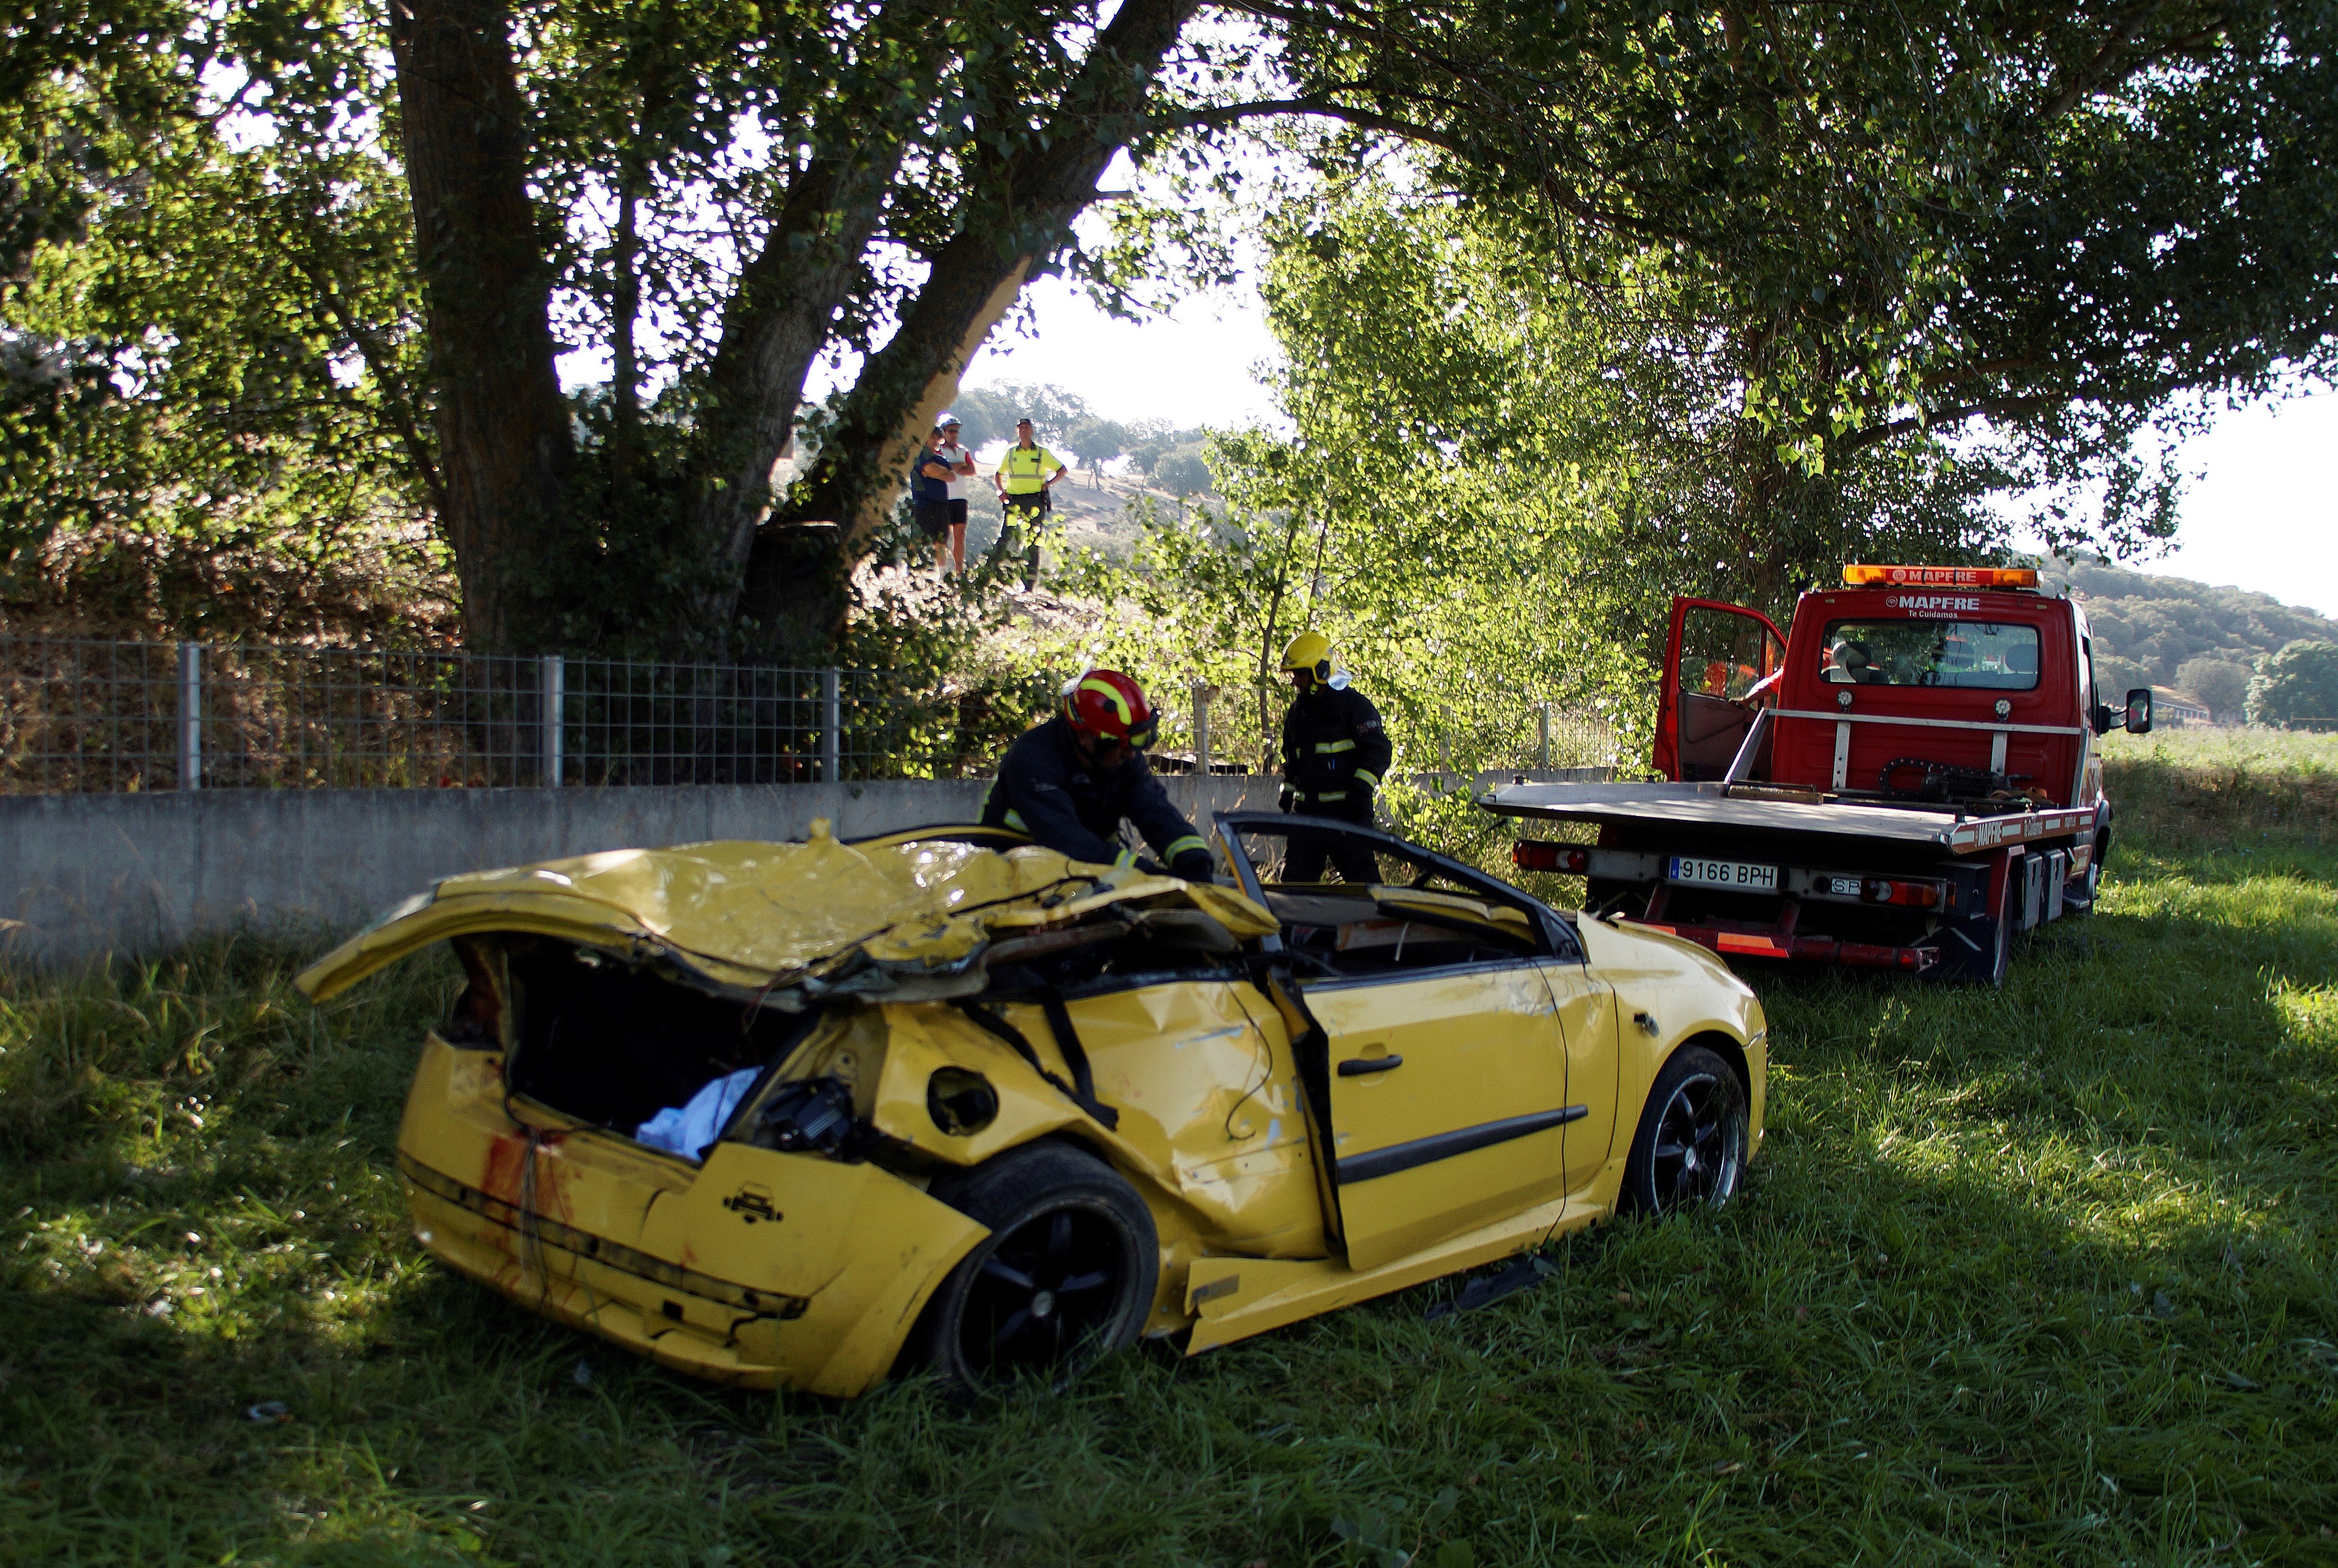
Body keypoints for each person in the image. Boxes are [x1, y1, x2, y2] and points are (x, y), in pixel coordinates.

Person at [981, 668, 1217, 880]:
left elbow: (1157, 813)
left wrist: (1195, 862)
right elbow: (1068, 842)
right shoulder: (1033, 759)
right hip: (1011, 878)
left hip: (1084, 876)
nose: (1132, 757)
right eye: (1123, 747)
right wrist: (1149, 875)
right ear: (1088, 739)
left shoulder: (1120, 756)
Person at [1277, 631, 1392, 884]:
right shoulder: (1297, 713)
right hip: (1307, 818)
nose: (1296, 682)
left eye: (1301, 674)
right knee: (1295, 891)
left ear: (1321, 670)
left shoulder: (1354, 706)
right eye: (1294, 675)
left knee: (1364, 891)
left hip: (1347, 816)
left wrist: (1361, 789)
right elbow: (1292, 761)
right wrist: (1288, 792)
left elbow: (1379, 751)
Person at [991, 416, 1066, 590]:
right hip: (1014, 501)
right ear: (1017, 431)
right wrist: (1001, 492)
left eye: (1027, 428)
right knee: (1005, 537)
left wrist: (1048, 483)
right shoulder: (1011, 453)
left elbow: (1062, 470)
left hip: (1034, 501)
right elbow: (998, 474)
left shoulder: (1042, 453)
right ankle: (990, 573)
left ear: (1032, 431)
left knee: (1033, 541)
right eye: (1021, 428)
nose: (1024, 431)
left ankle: (1029, 585)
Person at [932, 412, 976, 577]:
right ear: (943, 432)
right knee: (942, 537)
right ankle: (942, 572)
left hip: (960, 498)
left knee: (960, 535)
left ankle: (960, 571)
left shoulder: (964, 450)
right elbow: (941, 468)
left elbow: (972, 470)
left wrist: (952, 467)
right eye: (951, 431)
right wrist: (958, 466)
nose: (954, 434)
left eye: (956, 431)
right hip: (944, 497)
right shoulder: (937, 451)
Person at [910, 427, 958, 576]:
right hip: (923, 506)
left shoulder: (941, 458)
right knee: (917, 541)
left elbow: (952, 476)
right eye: (933, 437)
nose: (936, 440)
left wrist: (940, 473)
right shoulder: (920, 457)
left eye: (938, 437)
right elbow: (930, 470)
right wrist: (941, 473)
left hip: (942, 507)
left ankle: (942, 574)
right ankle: (910, 570)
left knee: (941, 543)